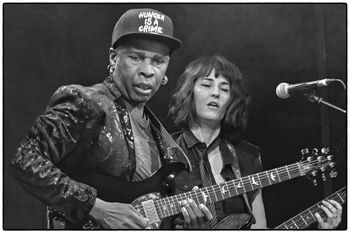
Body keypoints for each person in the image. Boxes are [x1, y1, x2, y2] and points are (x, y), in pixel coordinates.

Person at [10, 8, 211, 229]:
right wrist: (96, 207)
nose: (148, 70)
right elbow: (23, 158)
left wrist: (183, 223)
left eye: (158, 61)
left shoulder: (160, 136)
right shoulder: (86, 102)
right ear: (114, 57)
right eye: (136, 57)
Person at [168, 54, 343, 229]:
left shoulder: (248, 157)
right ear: (188, 92)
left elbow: (259, 227)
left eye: (224, 88)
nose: (215, 93)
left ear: (231, 100)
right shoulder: (166, 149)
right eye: (206, 85)